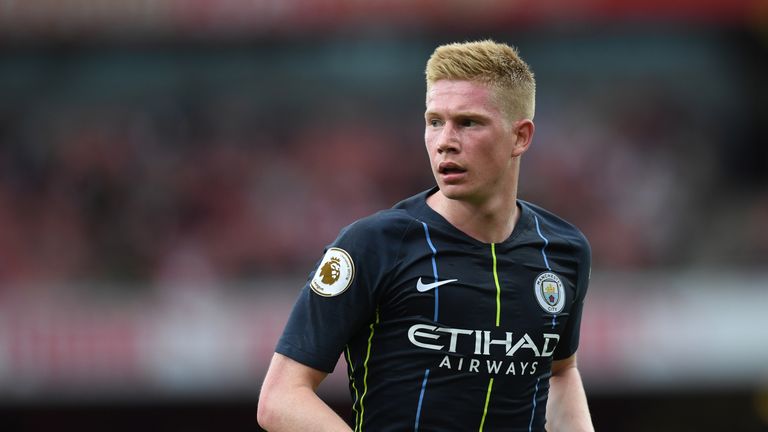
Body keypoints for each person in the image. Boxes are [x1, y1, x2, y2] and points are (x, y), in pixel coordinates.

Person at [258, 39, 594, 431]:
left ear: (520, 137)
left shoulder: (565, 252)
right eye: (435, 121)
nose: (445, 141)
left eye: (468, 122)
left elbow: (560, 372)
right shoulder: (373, 245)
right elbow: (281, 397)